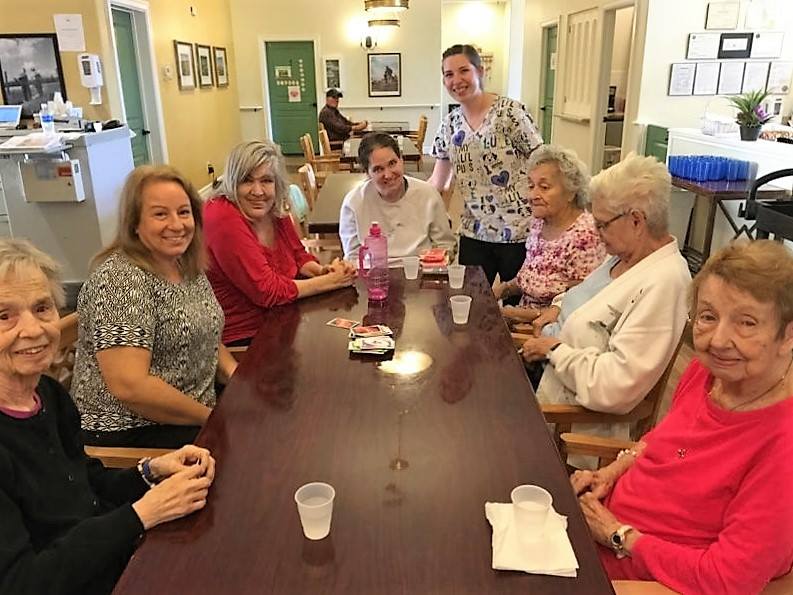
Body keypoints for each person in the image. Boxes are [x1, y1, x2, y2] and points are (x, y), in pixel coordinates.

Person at [573, 241, 793, 595]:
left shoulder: (783, 445)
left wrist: (620, 534)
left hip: (643, 579)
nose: (719, 340)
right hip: (599, 534)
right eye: (708, 316)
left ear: (788, 334)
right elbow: (661, 443)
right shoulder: (708, 374)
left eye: (746, 323)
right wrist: (610, 473)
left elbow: (726, 581)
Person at [0, 238, 216, 594]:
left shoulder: (49, 395)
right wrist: (141, 514)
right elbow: (22, 583)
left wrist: (151, 471)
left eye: (42, 308)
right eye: (4, 315)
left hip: (111, 560)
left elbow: (84, 481)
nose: (33, 329)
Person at [521, 154, 691, 449]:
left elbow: (615, 387)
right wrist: (557, 307)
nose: (597, 235)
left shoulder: (665, 282)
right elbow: (584, 295)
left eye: (602, 225)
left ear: (637, 221)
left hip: (569, 428)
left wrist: (555, 349)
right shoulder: (624, 257)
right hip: (546, 381)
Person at [73, 165, 238, 449]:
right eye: (160, 214)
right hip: (132, 430)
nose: (177, 225)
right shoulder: (120, 281)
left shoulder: (184, 265)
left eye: (184, 212)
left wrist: (239, 381)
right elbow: (131, 387)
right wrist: (213, 419)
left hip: (191, 409)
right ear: (135, 224)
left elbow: (208, 334)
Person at [204, 140, 356, 345]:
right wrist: (331, 282)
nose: (258, 191)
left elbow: (297, 254)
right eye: (246, 180)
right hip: (247, 340)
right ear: (232, 182)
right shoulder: (222, 216)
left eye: (266, 181)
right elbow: (266, 292)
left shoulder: (274, 206)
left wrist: (323, 271)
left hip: (285, 317)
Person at [429, 44, 543, 285]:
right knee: (472, 304)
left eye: (464, 71)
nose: (456, 80)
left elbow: (542, 165)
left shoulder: (510, 113)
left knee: (518, 307)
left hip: (520, 231)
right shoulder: (449, 125)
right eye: (449, 75)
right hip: (474, 232)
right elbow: (437, 183)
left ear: (480, 71)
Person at [492, 145, 606, 321]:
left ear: (570, 192)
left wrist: (516, 314)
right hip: (521, 320)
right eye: (531, 186)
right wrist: (502, 289)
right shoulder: (540, 222)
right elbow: (530, 277)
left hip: (551, 330)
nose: (533, 195)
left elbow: (580, 306)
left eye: (544, 187)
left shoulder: (585, 235)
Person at [339, 132, 455, 263]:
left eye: (392, 163)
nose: (388, 175)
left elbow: (445, 246)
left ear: (402, 160)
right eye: (378, 169)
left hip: (421, 272)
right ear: (367, 173)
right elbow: (353, 257)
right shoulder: (354, 203)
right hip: (374, 277)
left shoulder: (428, 195)